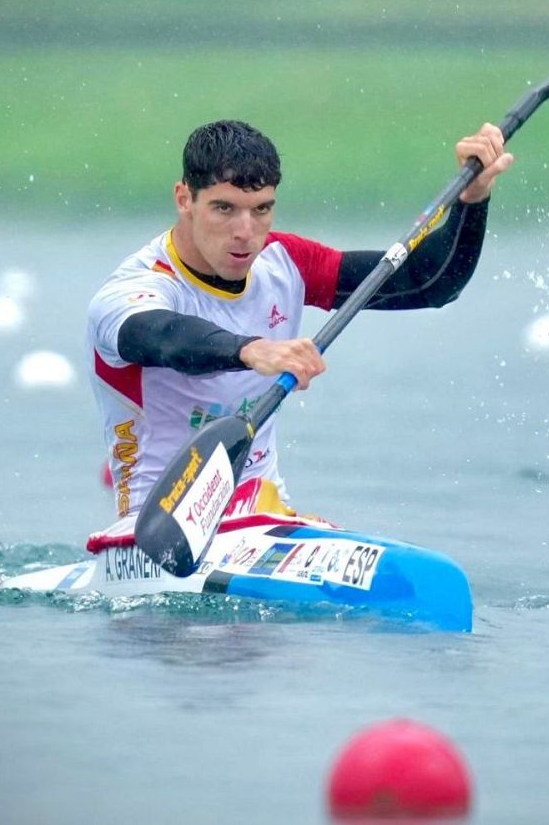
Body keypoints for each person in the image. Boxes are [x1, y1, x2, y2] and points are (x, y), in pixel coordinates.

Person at [86, 119, 511, 542]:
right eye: (224, 208)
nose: (245, 233)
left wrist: (472, 201)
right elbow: (163, 337)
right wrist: (250, 350)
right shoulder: (135, 289)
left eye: (261, 209)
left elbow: (430, 281)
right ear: (185, 199)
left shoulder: (284, 262)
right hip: (154, 531)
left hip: (262, 516)